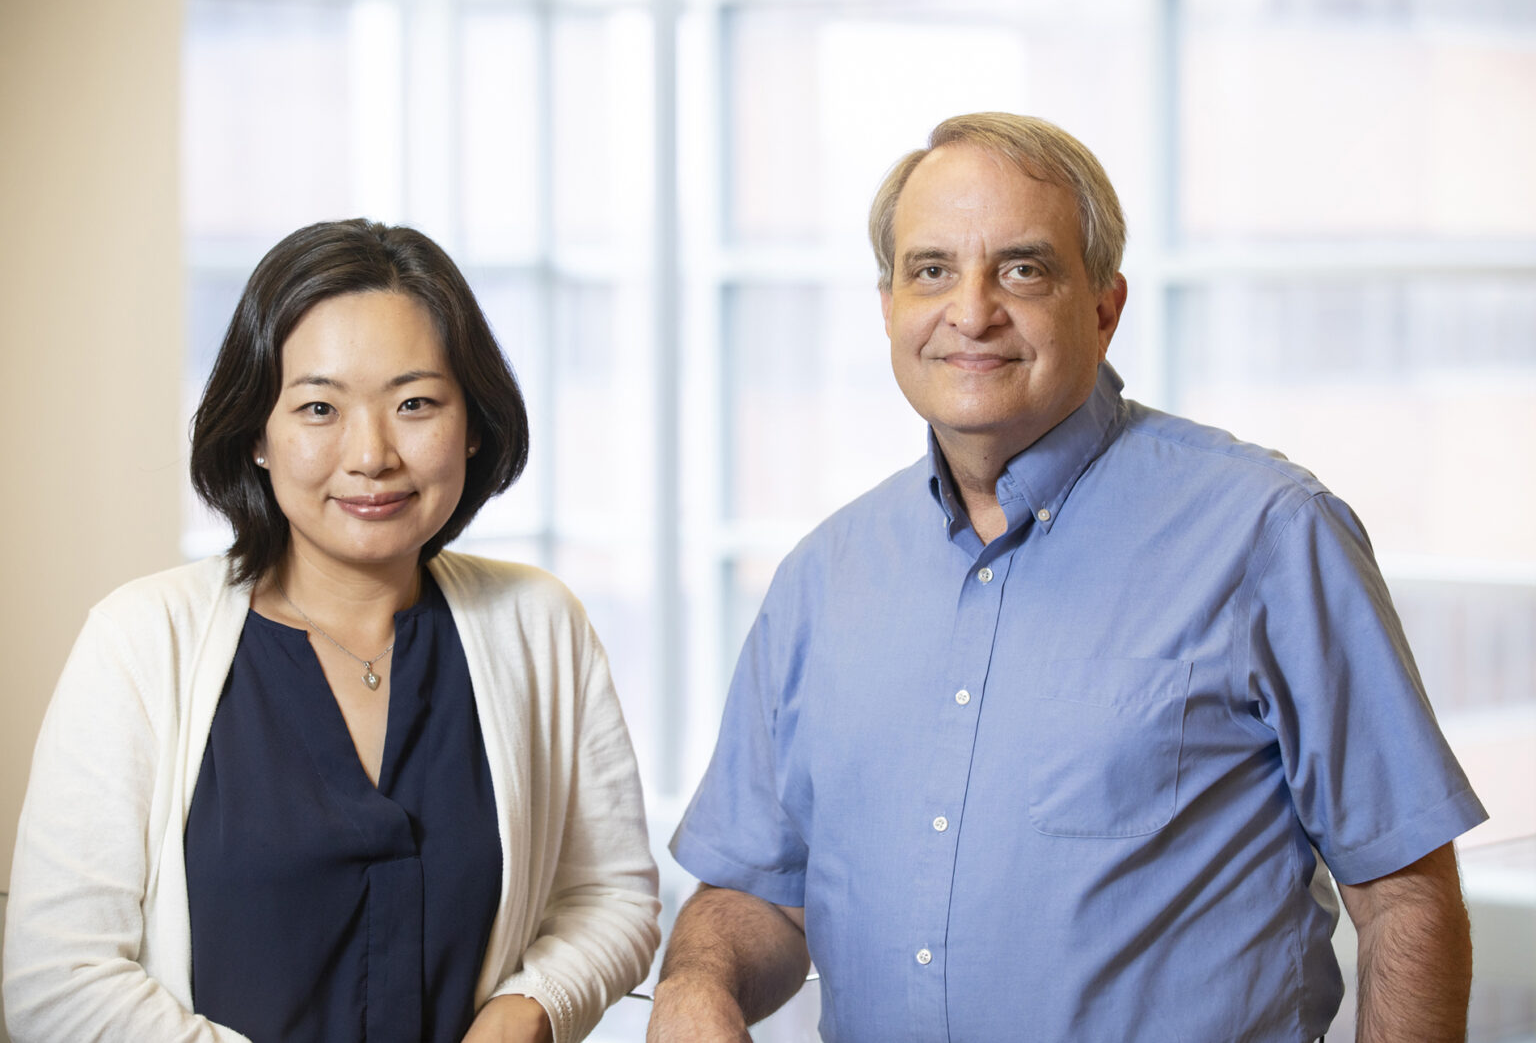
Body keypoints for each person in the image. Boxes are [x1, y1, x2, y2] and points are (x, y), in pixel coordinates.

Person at [647, 114, 1487, 1043]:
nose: (972, 312)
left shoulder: (1269, 535)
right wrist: (697, 981)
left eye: (1022, 269)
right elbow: (763, 896)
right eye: (932, 270)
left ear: (1103, 308)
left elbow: (1406, 899)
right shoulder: (821, 580)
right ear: (888, 305)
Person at [3, 219, 660, 1043]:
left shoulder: (539, 624)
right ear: (257, 434)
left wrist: (530, 1008)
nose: (372, 455)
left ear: (473, 424)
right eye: (319, 407)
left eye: (415, 404)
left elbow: (611, 894)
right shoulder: (139, 643)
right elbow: (56, 984)